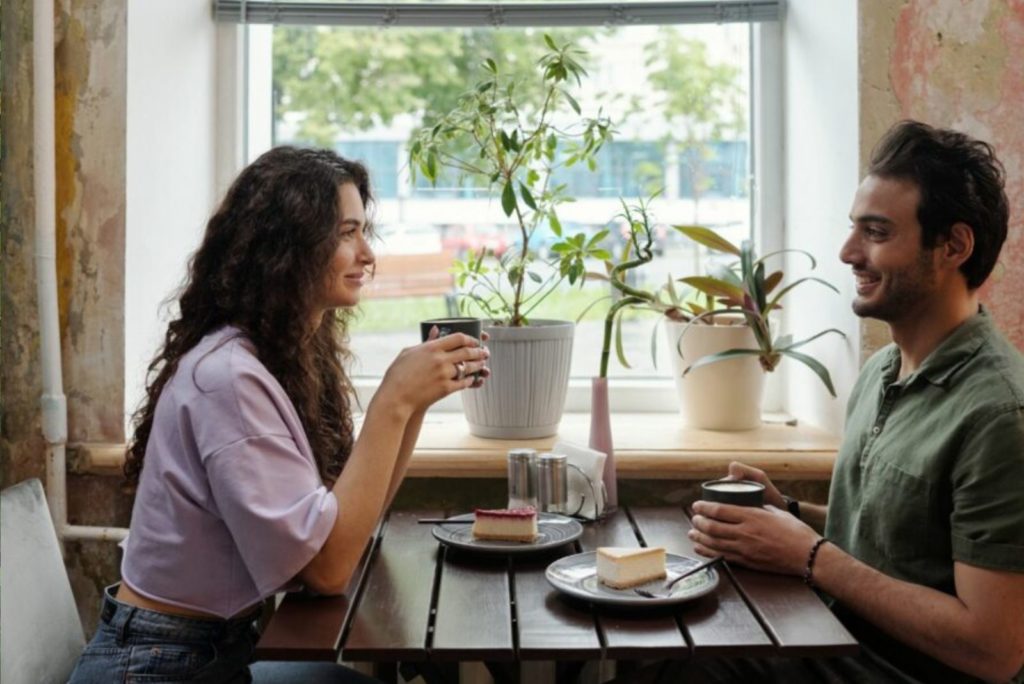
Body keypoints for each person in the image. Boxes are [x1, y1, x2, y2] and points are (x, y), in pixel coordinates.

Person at [68, 146, 490, 683]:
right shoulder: (227, 379)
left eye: (364, 231)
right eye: (345, 233)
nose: (367, 254)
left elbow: (347, 529)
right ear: (287, 246)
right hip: (159, 664)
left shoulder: (279, 356)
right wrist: (394, 402)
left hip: (215, 649)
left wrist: (414, 407)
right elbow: (328, 569)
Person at [681, 121, 1024, 683]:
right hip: (840, 641)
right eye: (853, 229)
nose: (847, 252)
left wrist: (809, 556)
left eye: (877, 232)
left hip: (898, 672)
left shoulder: (999, 416)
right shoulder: (881, 372)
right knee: (679, 641)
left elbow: (994, 648)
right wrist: (787, 514)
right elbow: (893, 539)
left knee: (700, 662)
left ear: (954, 246)